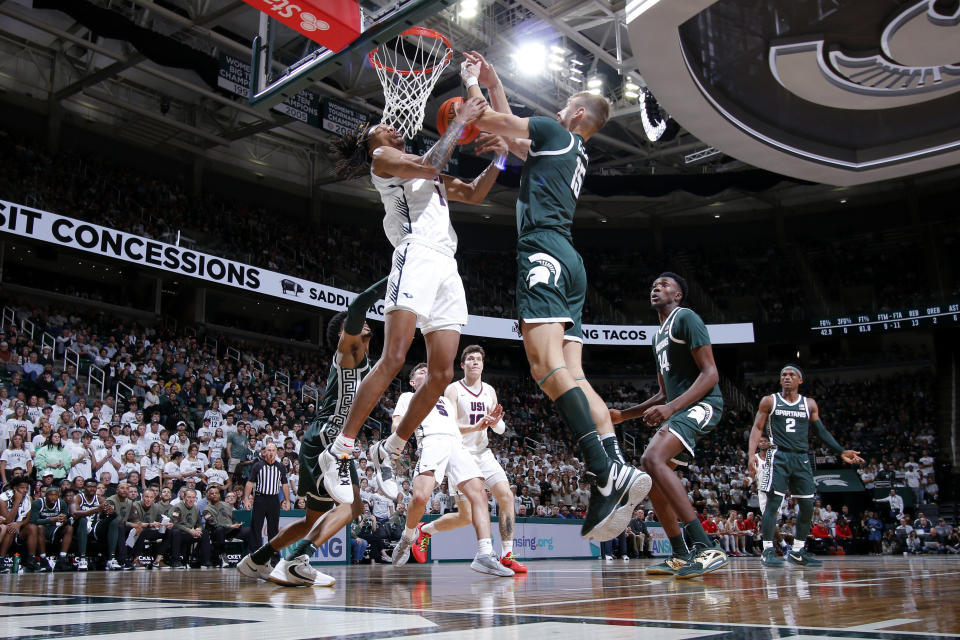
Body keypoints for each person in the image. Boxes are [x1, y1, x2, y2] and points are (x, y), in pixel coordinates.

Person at [458, 52, 650, 542]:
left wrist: (472, 82)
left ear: (579, 114)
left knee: (545, 368)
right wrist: (497, 80)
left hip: (542, 250)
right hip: (570, 261)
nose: (559, 109)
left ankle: (604, 469)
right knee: (572, 375)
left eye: (566, 105)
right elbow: (518, 140)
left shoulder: (553, 130)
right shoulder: (568, 149)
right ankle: (615, 468)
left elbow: (479, 116)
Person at [320, 97, 509, 508]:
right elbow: (430, 164)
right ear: (371, 144)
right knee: (394, 357)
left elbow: (475, 194)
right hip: (416, 254)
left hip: (446, 265)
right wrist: (457, 123)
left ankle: (390, 448)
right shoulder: (384, 159)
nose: (391, 129)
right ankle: (339, 449)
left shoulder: (429, 173)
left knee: (441, 374)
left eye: (392, 128)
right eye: (382, 128)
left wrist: (501, 160)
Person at [239, 280, 384, 587]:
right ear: (346, 333)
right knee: (354, 506)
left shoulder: (365, 362)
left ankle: (258, 559)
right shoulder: (347, 353)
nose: (365, 323)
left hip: (321, 440)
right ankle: (298, 560)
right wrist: (395, 278)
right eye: (357, 324)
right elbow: (358, 305)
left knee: (311, 520)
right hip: (328, 441)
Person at [610, 273, 726, 578]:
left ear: (678, 295)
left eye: (664, 285)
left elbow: (711, 373)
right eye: (652, 286)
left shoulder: (686, 318)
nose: (656, 288)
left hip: (704, 405)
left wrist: (672, 407)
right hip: (679, 409)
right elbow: (663, 394)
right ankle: (678, 553)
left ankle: (705, 546)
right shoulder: (657, 336)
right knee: (651, 472)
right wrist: (624, 415)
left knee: (651, 458)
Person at [389, 363, 512, 576]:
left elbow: (456, 427)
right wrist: (395, 444)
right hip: (431, 442)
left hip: (457, 445)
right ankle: (408, 537)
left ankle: (484, 554)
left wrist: (478, 425)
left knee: (479, 494)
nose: (427, 372)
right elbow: (396, 424)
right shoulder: (408, 398)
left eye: (429, 370)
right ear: (412, 382)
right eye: (421, 372)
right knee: (420, 498)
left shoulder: (445, 400)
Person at [411, 345, 526, 572]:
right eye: (470, 359)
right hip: (460, 454)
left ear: (483, 365)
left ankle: (507, 554)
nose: (475, 362)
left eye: (479, 359)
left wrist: (494, 422)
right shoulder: (453, 390)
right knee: (466, 517)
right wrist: (475, 426)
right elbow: (450, 426)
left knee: (506, 496)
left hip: (483, 453)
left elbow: (501, 429)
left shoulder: (489, 391)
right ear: (462, 365)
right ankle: (425, 530)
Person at [747, 365, 863, 567]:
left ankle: (798, 551)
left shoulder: (808, 404)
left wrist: (840, 450)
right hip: (778, 456)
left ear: (800, 380)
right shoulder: (770, 401)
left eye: (792, 375)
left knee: (808, 506)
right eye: (783, 374)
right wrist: (751, 455)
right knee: (773, 505)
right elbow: (757, 428)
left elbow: (821, 431)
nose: (787, 377)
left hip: (801, 458)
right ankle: (767, 550)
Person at [243, 443, 291, 561]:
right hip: (260, 498)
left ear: (276, 452)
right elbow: (250, 483)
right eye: (268, 450)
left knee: (273, 529)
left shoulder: (280, 467)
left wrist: (287, 500)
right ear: (264, 451)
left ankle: (274, 557)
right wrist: (246, 498)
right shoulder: (258, 466)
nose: (270, 452)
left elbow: (285, 485)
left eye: (273, 450)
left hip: (274, 499)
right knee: (256, 527)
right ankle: (254, 556)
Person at [202, 486, 250, 566]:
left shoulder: (226, 505)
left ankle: (248, 555)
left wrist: (237, 524)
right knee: (219, 529)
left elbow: (233, 519)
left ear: (219, 495)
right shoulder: (206, 510)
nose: (214, 495)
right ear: (208, 496)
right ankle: (223, 556)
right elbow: (214, 524)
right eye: (212, 493)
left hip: (231, 531)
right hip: (217, 533)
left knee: (249, 530)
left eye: (216, 493)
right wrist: (230, 526)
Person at [30, 486, 74, 571]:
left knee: (69, 528)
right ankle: (43, 559)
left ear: (58, 496)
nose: (53, 497)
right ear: (45, 495)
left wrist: (64, 520)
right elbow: (33, 521)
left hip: (55, 529)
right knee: (40, 527)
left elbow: (67, 520)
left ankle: (62, 559)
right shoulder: (38, 503)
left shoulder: (62, 503)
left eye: (56, 495)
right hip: (41, 530)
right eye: (51, 495)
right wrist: (50, 519)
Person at [169, 488, 211, 568]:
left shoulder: (196, 508)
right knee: (176, 532)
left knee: (204, 533)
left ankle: (205, 561)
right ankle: (176, 561)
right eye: (189, 497)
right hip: (179, 533)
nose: (191, 500)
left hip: (190, 533)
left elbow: (199, 523)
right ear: (184, 498)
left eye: (193, 497)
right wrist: (189, 530)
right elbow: (174, 524)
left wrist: (199, 529)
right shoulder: (177, 507)